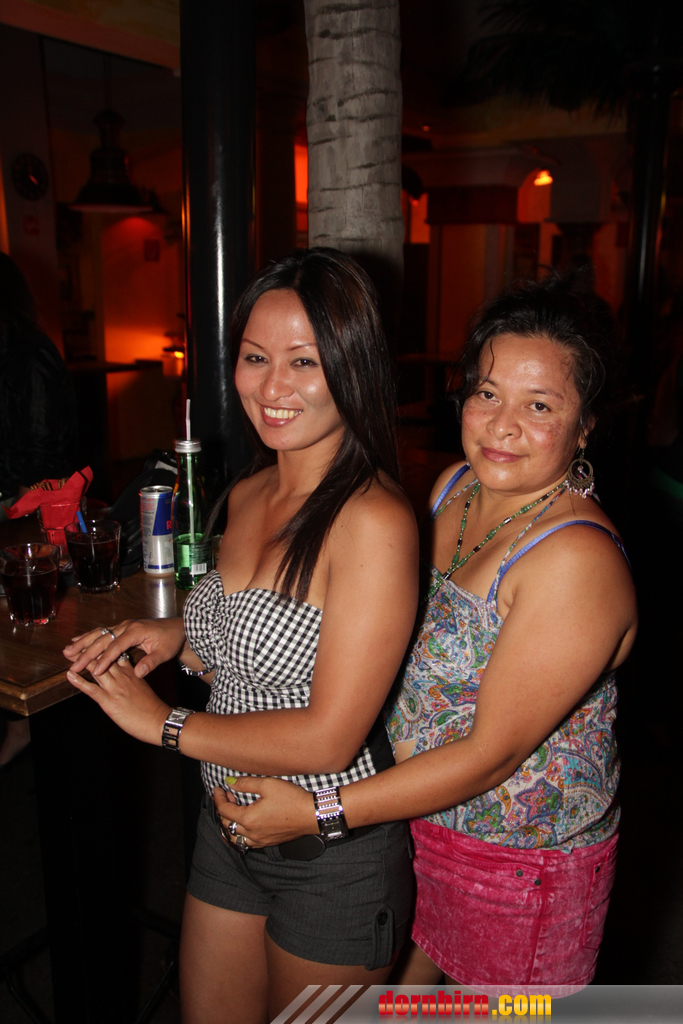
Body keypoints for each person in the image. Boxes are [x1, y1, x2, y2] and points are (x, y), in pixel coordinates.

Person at [216, 276, 638, 992]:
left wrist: (319, 812)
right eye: (487, 393)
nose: (502, 425)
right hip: (412, 826)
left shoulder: (576, 559)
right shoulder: (453, 489)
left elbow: (490, 755)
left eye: (539, 405)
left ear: (585, 424)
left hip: (516, 870)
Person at [63, 248, 419, 1023]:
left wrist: (164, 725)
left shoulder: (373, 521)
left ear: (353, 366)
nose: (272, 386)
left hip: (329, 853)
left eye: (304, 361)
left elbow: (329, 737)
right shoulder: (253, 490)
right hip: (226, 827)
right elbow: (252, 648)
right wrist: (174, 635)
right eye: (255, 358)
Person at [0, 252, 78, 768]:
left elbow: (43, 454)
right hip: (14, 503)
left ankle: (24, 724)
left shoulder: (31, 352)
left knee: (29, 614)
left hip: (26, 507)